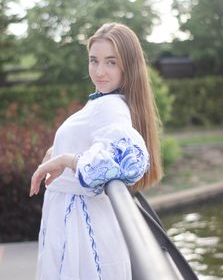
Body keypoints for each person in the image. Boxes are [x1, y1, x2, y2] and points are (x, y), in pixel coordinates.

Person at [30, 22, 163, 280]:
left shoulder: (112, 107)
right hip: (72, 219)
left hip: (80, 223)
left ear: (129, 66)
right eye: (94, 61)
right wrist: (57, 151)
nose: (100, 71)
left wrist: (66, 159)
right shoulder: (102, 101)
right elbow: (96, 141)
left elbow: (130, 160)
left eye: (111, 62)